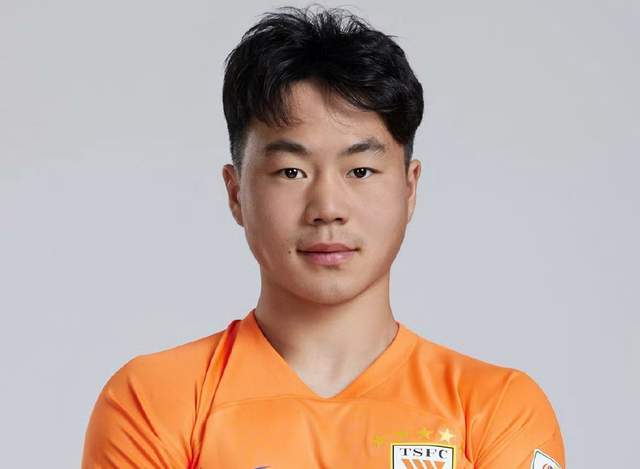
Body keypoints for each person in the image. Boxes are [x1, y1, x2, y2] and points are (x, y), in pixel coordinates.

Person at [81, 5, 565, 468]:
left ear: (409, 187)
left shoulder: (495, 409)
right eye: (291, 171)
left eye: (360, 170)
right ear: (236, 193)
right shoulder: (154, 401)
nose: (327, 208)